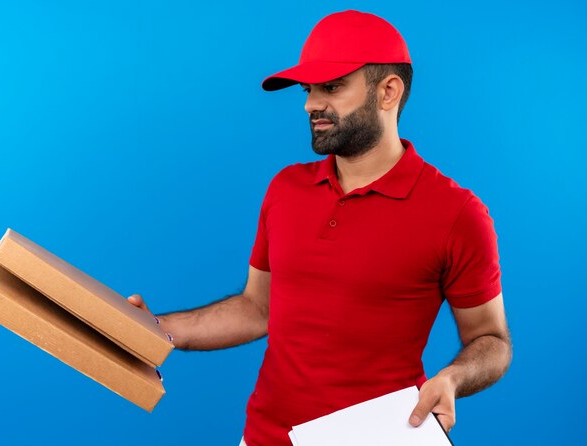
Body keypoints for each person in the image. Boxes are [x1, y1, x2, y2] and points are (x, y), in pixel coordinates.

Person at [127, 10, 512, 446]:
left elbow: (490, 339)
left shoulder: (456, 214)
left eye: (331, 87)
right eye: (309, 90)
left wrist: (454, 377)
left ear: (388, 92)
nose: (310, 104)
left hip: (381, 439)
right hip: (265, 437)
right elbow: (259, 308)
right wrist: (157, 330)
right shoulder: (286, 189)